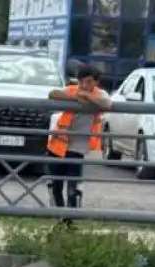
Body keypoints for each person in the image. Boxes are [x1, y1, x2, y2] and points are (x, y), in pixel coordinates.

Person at [46, 64, 111, 209]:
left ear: (96, 82)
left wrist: (88, 97)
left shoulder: (100, 94)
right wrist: (75, 98)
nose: (83, 85)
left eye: (88, 82)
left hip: (77, 148)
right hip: (57, 146)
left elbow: (107, 104)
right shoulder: (72, 90)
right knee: (56, 187)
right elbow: (52, 94)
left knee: (72, 189)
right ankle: (60, 219)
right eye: (81, 81)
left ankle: (69, 222)